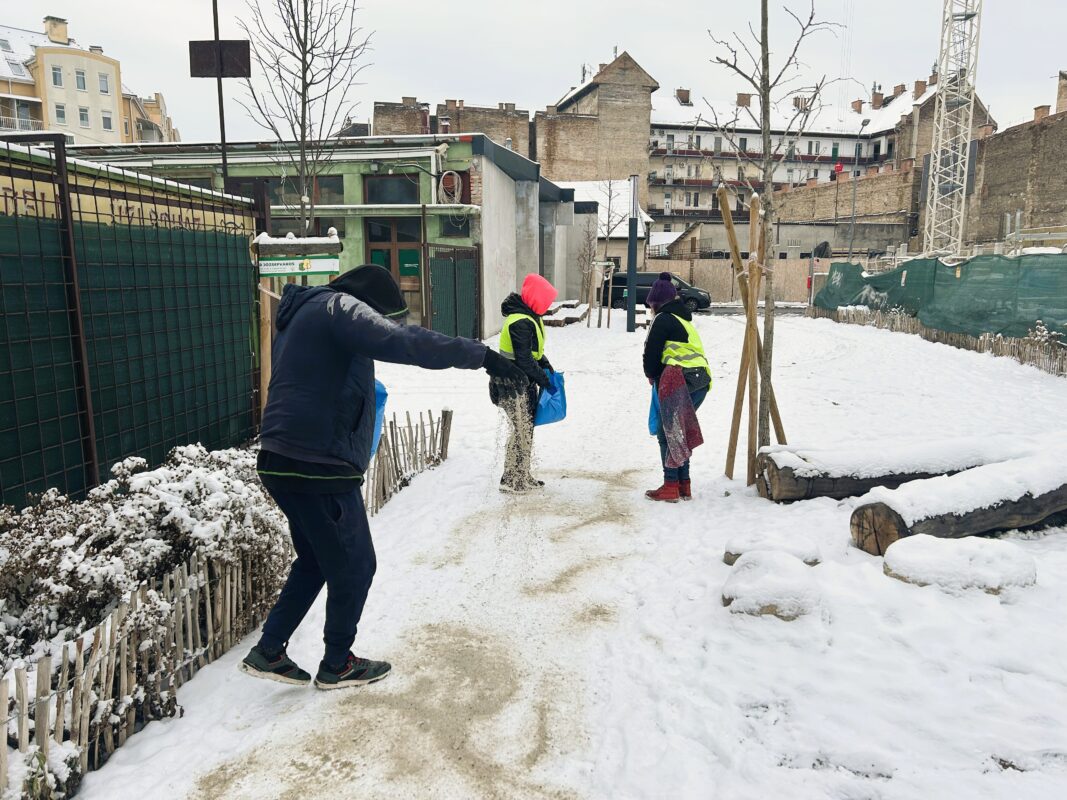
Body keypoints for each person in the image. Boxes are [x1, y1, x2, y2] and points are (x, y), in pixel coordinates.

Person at [241, 264, 526, 689]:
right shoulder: (339, 307)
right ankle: (337, 663)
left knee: (319, 560)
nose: (378, 325)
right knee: (356, 566)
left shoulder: (306, 312)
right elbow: (403, 341)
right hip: (318, 462)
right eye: (380, 316)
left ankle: (269, 649)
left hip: (282, 456)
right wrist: (482, 356)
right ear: (367, 303)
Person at [642, 272, 711, 503]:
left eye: (652, 305)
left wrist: (651, 375)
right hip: (700, 380)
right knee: (678, 429)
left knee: (668, 432)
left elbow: (651, 353)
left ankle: (671, 485)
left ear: (656, 303)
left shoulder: (662, 318)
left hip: (680, 379)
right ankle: (684, 484)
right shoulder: (684, 319)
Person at [490, 273, 558, 493]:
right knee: (521, 429)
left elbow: (534, 353)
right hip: (511, 384)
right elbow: (525, 360)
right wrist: (546, 381)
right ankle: (511, 479)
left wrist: (546, 365)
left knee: (525, 429)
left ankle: (521, 475)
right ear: (536, 299)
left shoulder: (527, 317)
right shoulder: (520, 321)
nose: (547, 307)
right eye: (545, 302)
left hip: (519, 382)